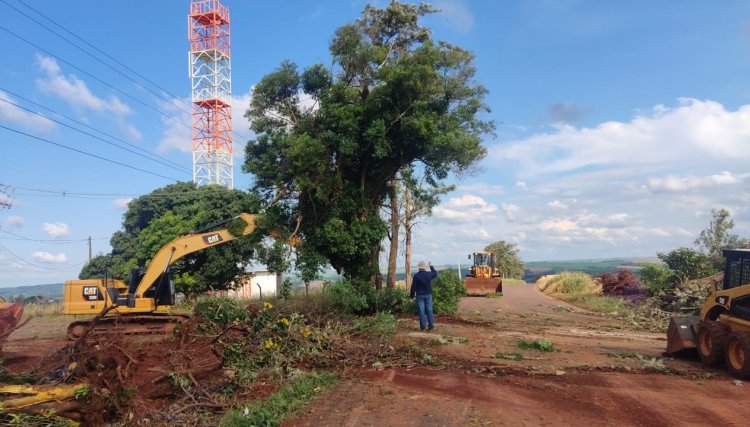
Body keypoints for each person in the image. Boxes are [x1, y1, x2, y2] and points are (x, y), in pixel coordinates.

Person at [410, 261, 438, 331]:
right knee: (429, 310)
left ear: (419, 268)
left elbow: (413, 287)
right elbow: (435, 273)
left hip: (419, 295)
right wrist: (431, 266)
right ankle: (431, 327)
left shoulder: (416, 276)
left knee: (421, 311)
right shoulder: (429, 274)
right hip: (428, 294)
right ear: (425, 267)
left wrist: (411, 296)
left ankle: (423, 327)